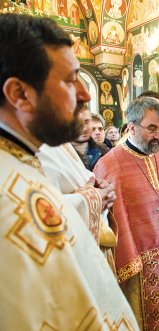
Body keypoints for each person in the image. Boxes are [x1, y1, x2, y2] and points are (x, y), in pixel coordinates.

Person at [0, 13, 138, 328]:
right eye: (69, 80)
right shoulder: (10, 198)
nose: (86, 94)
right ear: (20, 94)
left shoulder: (22, 160)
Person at [93, 97, 159, 330]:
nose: (158, 136)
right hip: (138, 262)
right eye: (151, 128)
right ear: (131, 127)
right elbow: (108, 221)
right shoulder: (110, 163)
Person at [38, 108, 118, 272]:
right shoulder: (38, 144)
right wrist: (95, 197)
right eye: (69, 82)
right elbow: (36, 209)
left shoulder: (58, 142)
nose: (83, 92)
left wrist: (100, 186)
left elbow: (82, 178)